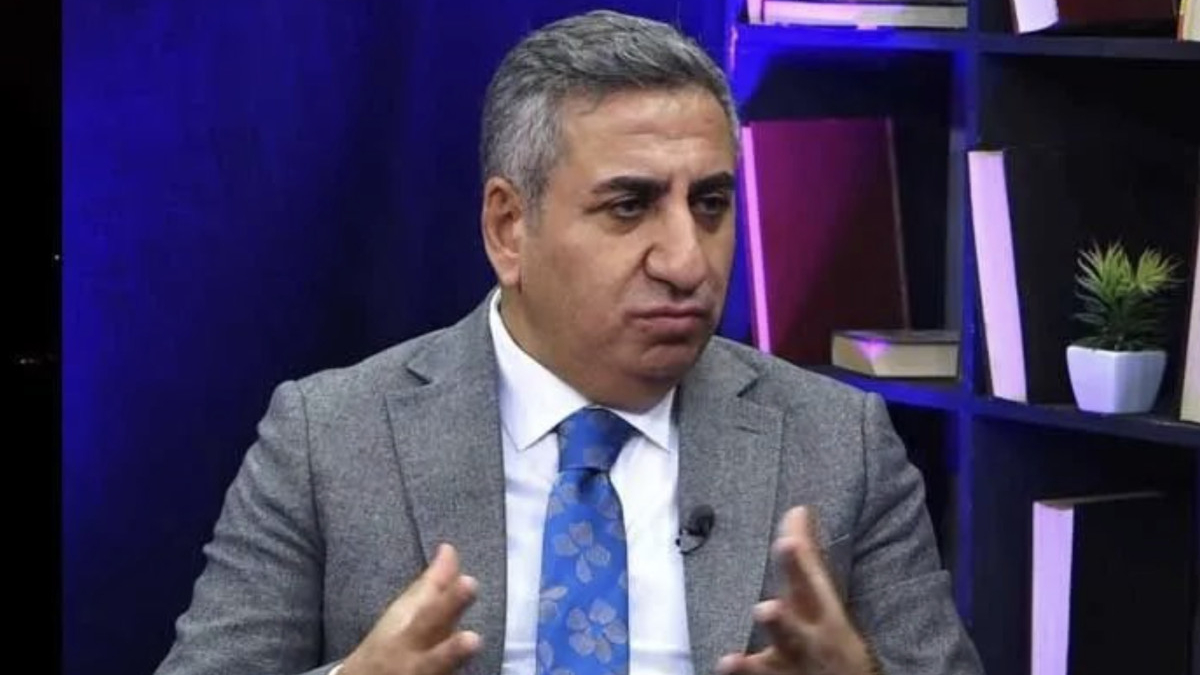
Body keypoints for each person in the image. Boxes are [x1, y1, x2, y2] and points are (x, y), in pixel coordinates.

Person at [154, 9, 984, 675]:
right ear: (508, 228)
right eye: (629, 206)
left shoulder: (841, 445)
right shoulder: (327, 437)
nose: (686, 260)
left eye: (710, 204)